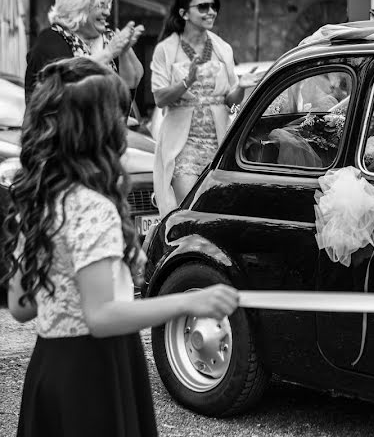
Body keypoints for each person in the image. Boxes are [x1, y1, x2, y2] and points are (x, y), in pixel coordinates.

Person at [1, 57, 238, 437]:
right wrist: (188, 302)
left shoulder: (40, 197)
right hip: (94, 374)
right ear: (99, 128)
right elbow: (101, 316)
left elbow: (21, 306)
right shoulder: (94, 208)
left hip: (49, 367)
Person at [151, 0, 259, 217]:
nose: (211, 11)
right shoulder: (166, 49)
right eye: (203, 7)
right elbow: (159, 98)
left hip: (218, 145)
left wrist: (240, 87)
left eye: (213, 6)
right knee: (189, 213)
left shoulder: (222, 48)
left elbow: (230, 101)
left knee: (216, 213)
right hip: (184, 146)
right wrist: (186, 82)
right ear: (183, 13)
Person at [24, 0, 145, 103]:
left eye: (108, 6)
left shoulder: (107, 40)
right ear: (78, 6)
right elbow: (62, 84)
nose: (107, 12)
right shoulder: (50, 41)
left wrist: (125, 51)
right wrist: (108, 53)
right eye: (101, 5)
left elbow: (132, 82)